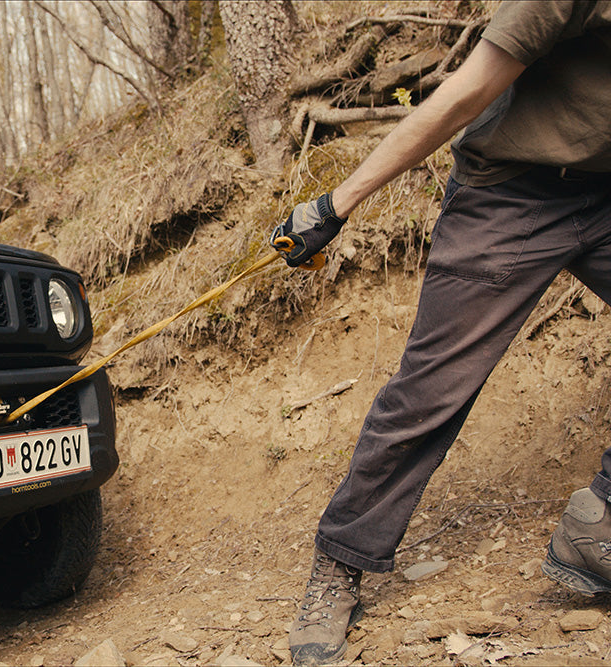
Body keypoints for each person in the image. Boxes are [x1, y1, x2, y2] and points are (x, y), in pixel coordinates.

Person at [271, 2, 611, 664]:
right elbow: (466, 90)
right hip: (511, 195)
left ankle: (598, 524)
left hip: (606, 191)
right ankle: (340, 561)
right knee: (431, 393)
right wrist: (333, 204)